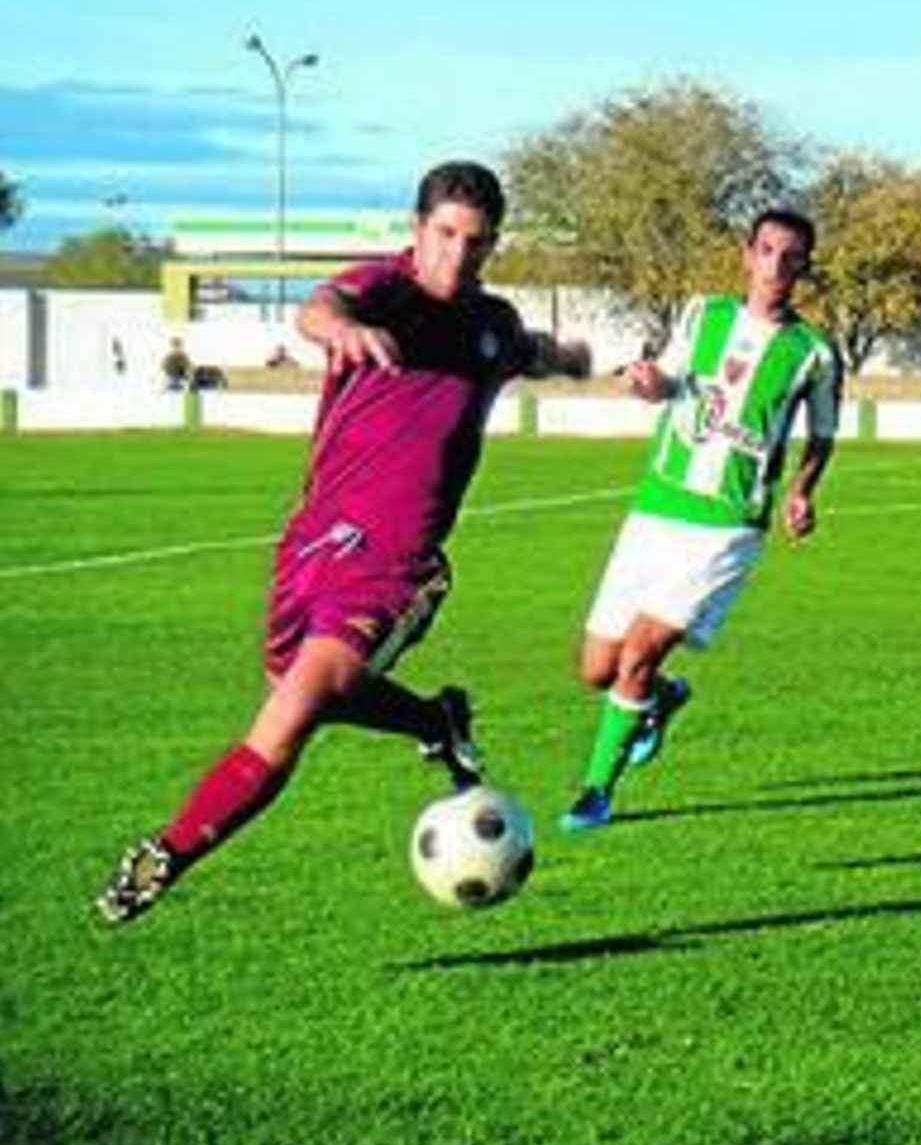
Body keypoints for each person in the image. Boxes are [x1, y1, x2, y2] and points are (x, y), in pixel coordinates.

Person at [96, 161, 591, 923]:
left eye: (478, 242)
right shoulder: (383, 290)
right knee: (298, 688)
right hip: (315, 542)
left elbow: (535, 350)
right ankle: (435, 722)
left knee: (296, 706)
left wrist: (582, 362)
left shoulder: (492, 324)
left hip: (398, 563)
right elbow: (320, 310)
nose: (458, 255)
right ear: (418, 229)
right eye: (447, 235)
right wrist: (346, 333)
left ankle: (168, 852)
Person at [560, 208, 842, 833]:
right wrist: (646, 382)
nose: (776, 266)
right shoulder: (702, 315)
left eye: (790, 257)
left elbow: (822, 435)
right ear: (748, 254)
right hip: (657, 509)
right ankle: (662, 699)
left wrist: (802, 490)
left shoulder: (814, 353)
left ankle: (595, 791)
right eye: (766, 250)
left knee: (637, 655)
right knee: (597, 670)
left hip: (726, 526)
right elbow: (668, 379)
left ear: (804, 268)